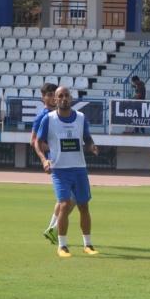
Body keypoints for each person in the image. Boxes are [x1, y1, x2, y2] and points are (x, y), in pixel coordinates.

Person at [34, 86, 100, 258]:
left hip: (79, 167)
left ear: (71, 98)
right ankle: (62, 246)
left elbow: (86, 136)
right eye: (60, 96)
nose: (64, 98)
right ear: (55, 100)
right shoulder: (48, 119)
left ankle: (88, 244)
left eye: (67, 95)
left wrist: (91, 145)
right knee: (64, 204)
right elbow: (37, 142)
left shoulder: (81, 118)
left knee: (83, 205)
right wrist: (44, 160)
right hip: (59, 169)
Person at [33, 83, 63, 245]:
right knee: (70, 198)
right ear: (43, 98)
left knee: (63, 199)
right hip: (56, 161)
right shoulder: (43, 116)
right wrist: (49, 154)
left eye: (55, 94)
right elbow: (34, 141)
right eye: (49, 95)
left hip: (67, 160)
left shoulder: (60, 114)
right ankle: (54, 229)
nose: (53, 97)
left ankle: (51, 229)